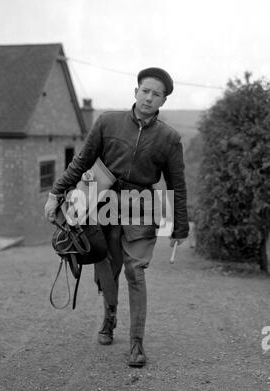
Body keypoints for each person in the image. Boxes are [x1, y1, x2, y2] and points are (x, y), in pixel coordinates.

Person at [45, 67, 189, 367]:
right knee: (106, 270)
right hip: (101, 199)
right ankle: (109, 316)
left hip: (142, 205)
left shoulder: (169, 138)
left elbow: (177, 184)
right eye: (145, 90)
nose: (149, 97)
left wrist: (180, 226)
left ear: (163, 101)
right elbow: (81, 161)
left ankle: (137, 343)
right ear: (136, 91)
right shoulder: (107, 121)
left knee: (135, 272)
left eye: (157, 94)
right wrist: (56, 193)